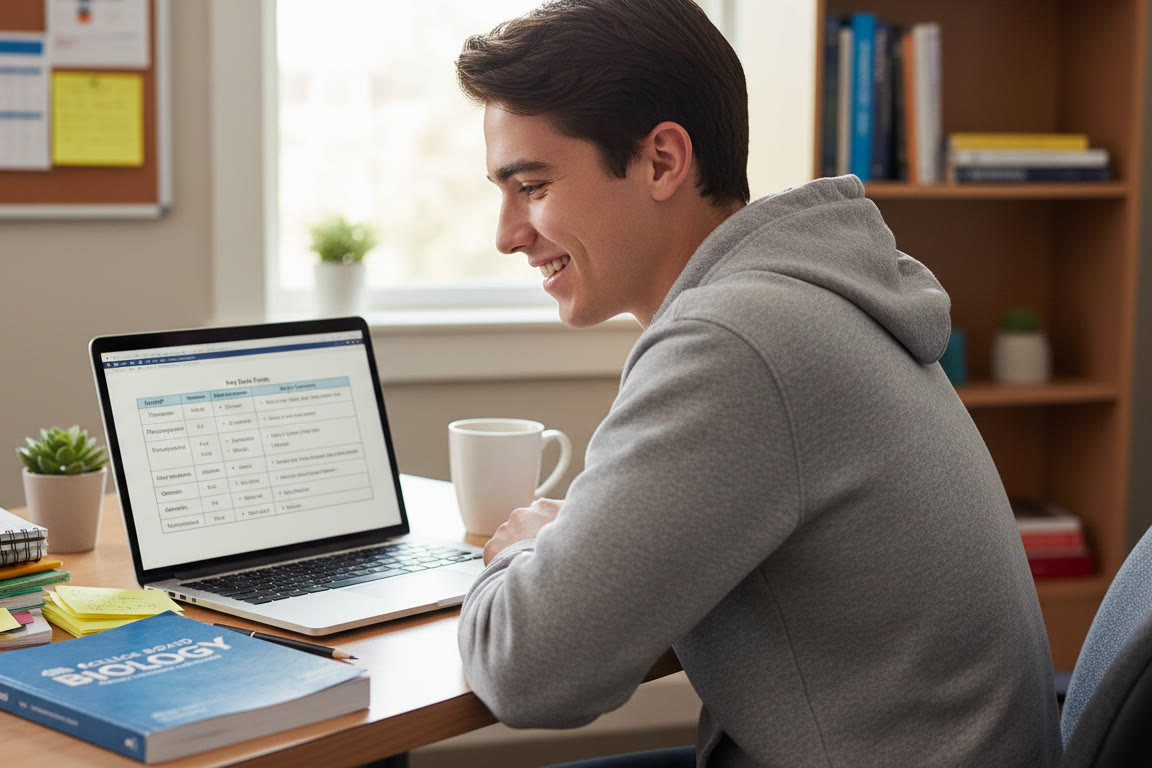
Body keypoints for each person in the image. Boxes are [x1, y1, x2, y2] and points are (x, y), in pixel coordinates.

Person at [452, 1, 1062, 766]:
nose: (507, 233)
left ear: (664, 161)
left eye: (532, 186)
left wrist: (516, 554)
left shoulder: (735, 342)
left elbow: (530, 671)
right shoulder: (798, 300)